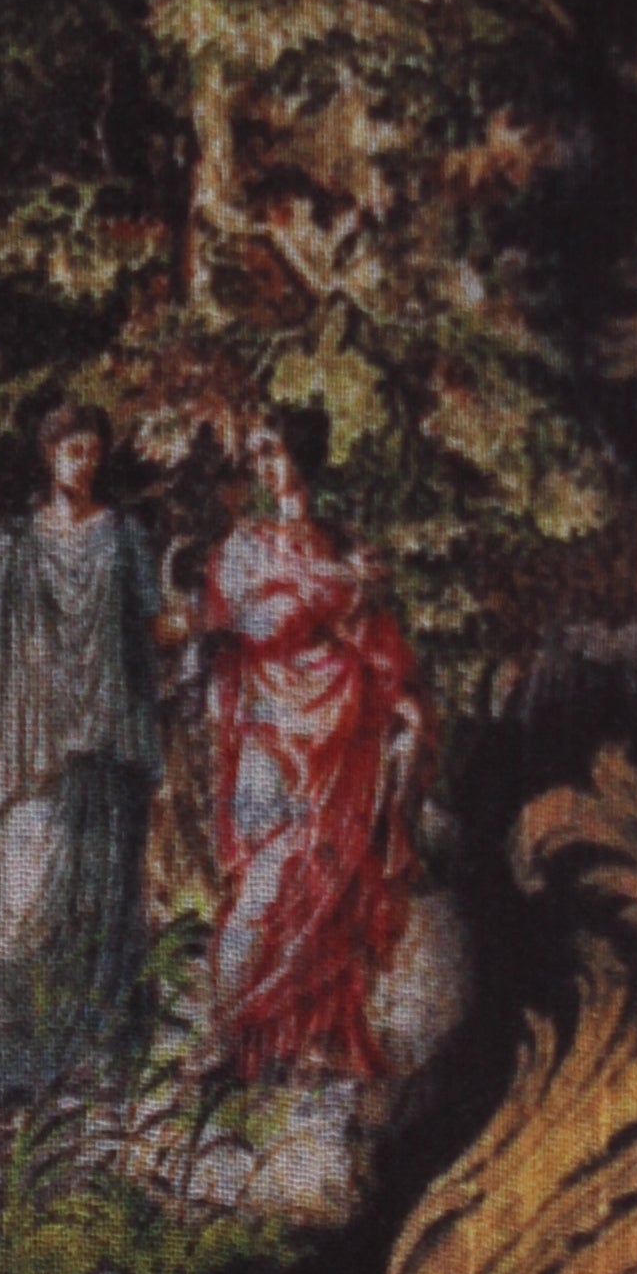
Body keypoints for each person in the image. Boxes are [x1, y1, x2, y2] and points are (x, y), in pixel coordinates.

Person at [0, 402, 168, 1102]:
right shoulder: (12, 547)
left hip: (105, 753)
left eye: (93, 451)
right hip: (30, 750)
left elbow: (156, 628)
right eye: (72, 450)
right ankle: (17, 1080)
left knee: (100, 920)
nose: (84, 462)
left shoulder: (125, 539)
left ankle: (96, 1090)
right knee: (18, 922)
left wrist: (210, 618)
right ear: (49, 456)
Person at [195, 407, 432, 1087]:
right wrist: (337, 587)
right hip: (272, 728)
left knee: (330, 885)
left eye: (276, 451)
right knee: (264, 884)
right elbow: (257, 621)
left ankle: (308, 1043)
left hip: (342, 734)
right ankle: (225, 1033)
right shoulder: (246, 545)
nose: (266, 467)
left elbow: (374, 641)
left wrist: (403, 702)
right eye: (259, 455)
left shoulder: (344, 545)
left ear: (304, 456)